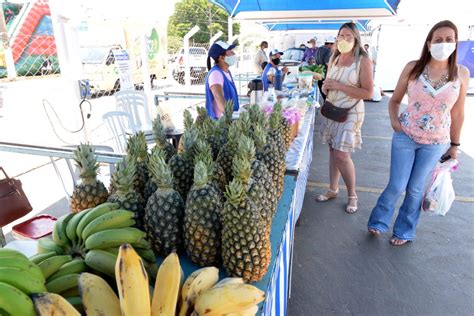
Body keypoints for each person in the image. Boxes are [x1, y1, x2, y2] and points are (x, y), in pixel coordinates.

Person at [367, 20, 469, 246]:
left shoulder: (461, 73)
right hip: (406, 136)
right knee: (397, 185)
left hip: (435, 143)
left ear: (455, 42)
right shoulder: (413, 68)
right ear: (429, 43)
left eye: (449, 39)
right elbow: (394, 100)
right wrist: (395, 122)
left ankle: (404, 230)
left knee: (415, 189)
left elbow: (459, 112)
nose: (444, 43)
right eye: (439, 39)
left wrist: (455, 145)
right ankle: (379, 221)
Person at [316, 22, 374, 214]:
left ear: (356, 38)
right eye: (341, 36)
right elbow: (329, 82)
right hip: (332, 108)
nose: (344, 39)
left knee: (342, 154)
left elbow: (367, 92)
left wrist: (339, 86)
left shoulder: (363, 61)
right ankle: (333, 189)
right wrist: (326, 87)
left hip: (350, 111)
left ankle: (352, 195)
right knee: (333, 150)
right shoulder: (334, 57)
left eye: (349, 36)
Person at [205, 41, 239, 119]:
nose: (233, 53)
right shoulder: (216, 74)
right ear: (221, 58)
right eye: (230, 51)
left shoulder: (227, 72)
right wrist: (231, 117)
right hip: (220, 124)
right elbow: (218, 96)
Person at [316, 36, 335, 101]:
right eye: (334, 44)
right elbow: (328, 63)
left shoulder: (319, 49)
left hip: (318, 75)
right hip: (325, 75)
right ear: (330, 44)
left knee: (323, 95)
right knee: (327, 97)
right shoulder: (328, 50)